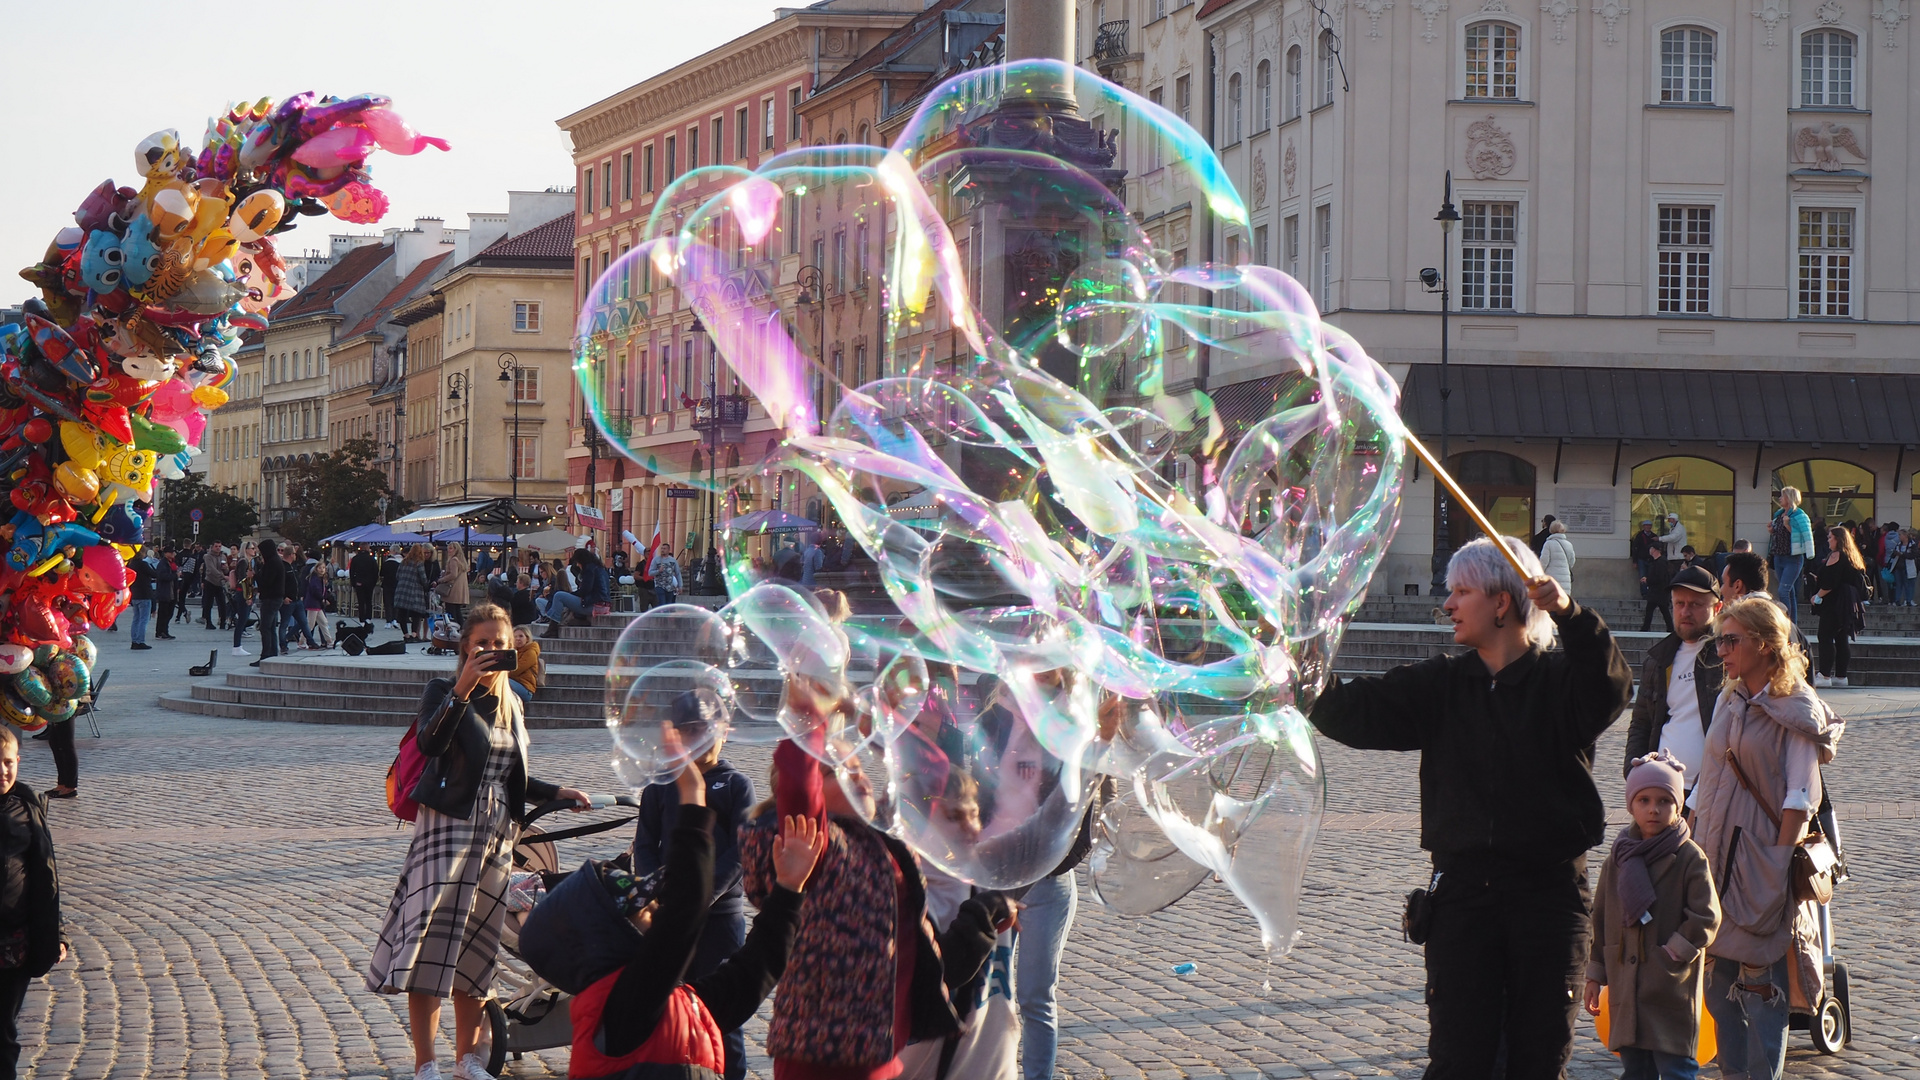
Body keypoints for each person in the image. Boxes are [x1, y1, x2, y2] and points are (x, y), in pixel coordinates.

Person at [1306, 536, 1632, 1076]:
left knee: (1538, 1059)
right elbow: (1353, 711)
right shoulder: (1442, 684)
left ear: (1502, 602)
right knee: (1459, 1059)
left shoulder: (1560, 684)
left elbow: (1611, 685)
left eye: (1461, 591)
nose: (1448, 604)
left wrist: (1569, 612)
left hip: (1547, 902)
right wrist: (1301, 666)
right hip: (1461, 901)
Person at [518, 724, 822, 1080]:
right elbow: (682, 914)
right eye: (641, 908)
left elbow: (753, 973)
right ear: (608, 939)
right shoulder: (621, 1006)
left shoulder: (674, 999)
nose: (653, 907)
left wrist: (788, 891)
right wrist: (693, 798)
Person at [366, 603, 591, 1080]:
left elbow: (511, 776)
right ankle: (426, 1063)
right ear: (466, 647)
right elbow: (430, 744)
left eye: (501, 644)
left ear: (515, 649)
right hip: (446, 831)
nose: (492, 651)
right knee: (429, 946)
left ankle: (468, 1059)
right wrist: (464, 689)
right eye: (483, 643)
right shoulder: (443, 690)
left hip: (495, 837)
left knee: (477, 948)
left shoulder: (512, 702)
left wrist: (559, 792)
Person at [739, 733, 963, 1077]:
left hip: (880, 1045)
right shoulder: (814, 843)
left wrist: (879, 728)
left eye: (858, 766)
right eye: (836, 771)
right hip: (827, 1053)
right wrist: (810, 716)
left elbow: (932, 770)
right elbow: (798, 777)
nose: (857, 776)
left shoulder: (879, 833)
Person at [1689, 597, 1843, 1080]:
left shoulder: (1797, 709)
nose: (1723, 652)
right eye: (1719, 642)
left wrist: (1775, 863)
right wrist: (1687, 845)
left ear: (1764, 642)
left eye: (1731, 640)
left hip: (1759, 861)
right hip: (1712, 855)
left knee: (1761, 988)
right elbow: (1706, 778)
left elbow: (1801, 798)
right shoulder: (1728, 698)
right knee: (1717, 988)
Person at [630, 691, 757, 1080]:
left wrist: (705, 893)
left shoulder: (736, 784)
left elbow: (742, 850)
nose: (695, 738)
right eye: (685, 731)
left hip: (721, 917)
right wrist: (660, 891)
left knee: (723, 1015)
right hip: (671, 916)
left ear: (723, 731)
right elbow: (645, 844)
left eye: (703, 729)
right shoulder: (659, 785)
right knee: (667, 1010)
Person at [1582, 751, 1722, 1079]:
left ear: (1678, 805)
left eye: (1664, 801)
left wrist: (1672, 953)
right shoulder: (1618, 859)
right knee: (1636, 1069)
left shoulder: (1689, 857)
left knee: (1676, 1068)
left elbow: (1707, 916)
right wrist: (1595, 974)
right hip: (1626, 989)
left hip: (1669, 987)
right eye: (1643, 800)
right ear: (1631, 804)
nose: (1653, 809)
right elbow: (1600, 920)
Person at [0, 728, 67, 1080]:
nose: (2, 770)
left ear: (18, 762)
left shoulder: (27, 807)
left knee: (3, 1030)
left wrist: (59, 932)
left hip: (13, 942)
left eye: (8, 762)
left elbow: (46, 876)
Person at [1623, 566, 1722, 789]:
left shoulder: (1729, 655)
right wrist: (1633, 772)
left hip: (1715, 790)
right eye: (1679, 603)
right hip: (1666, 788)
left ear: (1718, 608)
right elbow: (1641, 722)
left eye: (1696, 604)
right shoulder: (1658, 659)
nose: (1685, 612)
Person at [1810, 525, 1867, 688]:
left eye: (1830, 537)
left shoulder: (1836, 556)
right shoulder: (1852, 556)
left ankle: (1825, 675)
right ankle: (1841, 676)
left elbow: (1830, 582)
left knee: (1825, 636)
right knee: (1842, 639)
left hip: (1834, 603)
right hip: (1848, 603)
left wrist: (1817, 596)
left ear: (1838, 539)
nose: (1828, 540)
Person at [1769, 487, 1814, 623]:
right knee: (1790, 592)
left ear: (1789, 498)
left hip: (1793, 558)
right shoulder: (1778, 514)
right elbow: (1778, 534)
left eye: (1782, 496)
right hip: (1778, 556)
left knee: (1783, 590)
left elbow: (1805, 535)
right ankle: (1792, 624)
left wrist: (1788, 525)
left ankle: (1786, 621)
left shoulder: (1800, 515)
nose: (1780, 499)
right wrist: (1772, 530)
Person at [395, 547, 432, 643]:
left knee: (402, 613)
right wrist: (427, 585)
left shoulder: (404, 561)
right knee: (416, 613)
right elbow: (423, 579)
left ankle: (406, 635)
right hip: (414, 590)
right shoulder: (419, 563)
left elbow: (397, 575)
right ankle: (414, 634)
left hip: (402, 590)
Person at [1640, 541, 1675, 634]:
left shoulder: (1660, 563)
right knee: (1660, 610)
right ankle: (1669, 628)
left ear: (1654, 550)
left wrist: (1648, 580)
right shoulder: (1657, 562)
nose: (1649, 550)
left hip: (1659, 591)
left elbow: (1659, 577)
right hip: (1657, 591)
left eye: (1651, 548)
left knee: (1657, 610)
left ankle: (1646, 628)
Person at [228, 543, 255, 657]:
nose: (254, 550)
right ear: (246, 549)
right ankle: (237, 646)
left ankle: (237, 646)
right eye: (252, 548)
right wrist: (248, 596)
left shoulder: (247, 561)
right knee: (242, 620)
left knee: (243, 620)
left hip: (244, 593)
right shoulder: (244, 562)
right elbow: (243, 580)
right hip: (243, 593)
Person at [127, 546, 156, 651]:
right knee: (143, 619)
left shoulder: (131, 564)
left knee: (136, 619)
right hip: (144, 593)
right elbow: (154, 574)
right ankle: (140, 641)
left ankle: (134, 640)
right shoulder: (143, 564)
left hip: (134, 594)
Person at [303, 560, 334, 648]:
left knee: (323, 622)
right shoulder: (314, 578)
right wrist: (323, 599)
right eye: (320, 568)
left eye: (323, 568)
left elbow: (322, 591)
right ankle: (302, 641)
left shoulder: (321, 579)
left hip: (318, 604)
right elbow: (315, 591)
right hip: (313, 604)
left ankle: (329, 641)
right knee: (310, 624)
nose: (322, 570)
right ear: (316, 569)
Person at [1539, 520, 1575, 594]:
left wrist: (1540, 572)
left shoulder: (1548, 544)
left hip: (1552, 578)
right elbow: (1572, 561)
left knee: (1551, 600)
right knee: (1564, 600)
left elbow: (1544, 561)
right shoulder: (1569, 544)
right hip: (1565, 578)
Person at [439, 542, 471, 626]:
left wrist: (442, 579)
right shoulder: (462, 561)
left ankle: (455, 629)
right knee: (457, 611)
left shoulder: (453, 560)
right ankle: (462, 629)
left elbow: (453, 574)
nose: (448, 551)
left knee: (451, 611)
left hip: (453, 589)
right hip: (460, 590)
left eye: (451, 548)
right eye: (448, 548)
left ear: (456, 550)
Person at [506, 626, 539, 706]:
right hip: (515, 684)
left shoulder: (530, 652)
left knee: (502, 681)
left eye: (521, 636)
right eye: (515, 636)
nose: (518, 639)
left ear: (527, 638)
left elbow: (516, 671)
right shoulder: (513, 651)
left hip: (526, 689)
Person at [201, 543, 230, 630]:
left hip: (219, 583)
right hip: (210, 581)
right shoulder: (207, 556)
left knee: (222, 603)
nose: (218, 548)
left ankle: (223, 622)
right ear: (212, 547)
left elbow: (226, 570)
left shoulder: (223, 556)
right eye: (216, 546)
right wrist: (223, 576)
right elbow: (211, 569)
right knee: (208, 603)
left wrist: (225, 568)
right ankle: (208, 622)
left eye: (219, 546)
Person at [152, 546, 179, 640]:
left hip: (171, 592)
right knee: (163, 613)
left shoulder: (171, 563)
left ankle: (164, 631)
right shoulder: (162, 564)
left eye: (173, 552)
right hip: (165, 592)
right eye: (171, 553)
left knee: (169, 613)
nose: (173, 554)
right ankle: (160, 631)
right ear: (166, 553)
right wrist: (175, 575)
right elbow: (162, 576)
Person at [350, 547, 381, 622]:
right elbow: (376, 572)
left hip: (359, 582)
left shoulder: (355, 559)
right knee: (368, 601)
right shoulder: (372, 559)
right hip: (369, 583)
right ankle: (368, 618)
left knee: (361, 602)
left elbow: (351, 572)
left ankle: (362, 619)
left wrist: (354, 583)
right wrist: (373, 582)